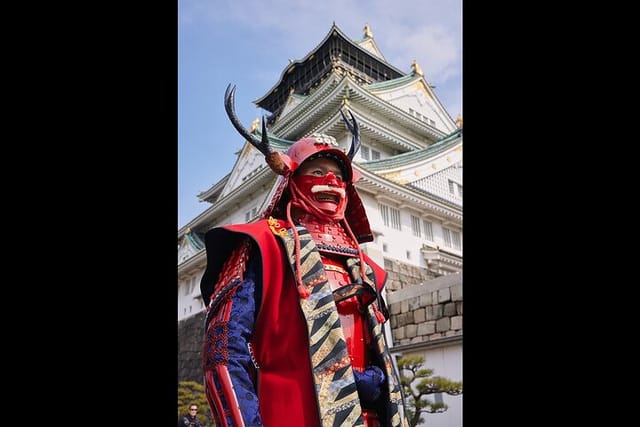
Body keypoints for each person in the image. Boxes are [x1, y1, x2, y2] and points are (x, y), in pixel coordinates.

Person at [199, 84, 408, 427]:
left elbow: (376, 350)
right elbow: (222, 351)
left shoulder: (364, 268)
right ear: (292, 179)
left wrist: (373, 381)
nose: (331, 182)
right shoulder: (261, 245)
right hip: (289, 415)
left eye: (339, 176)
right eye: (316, 172)